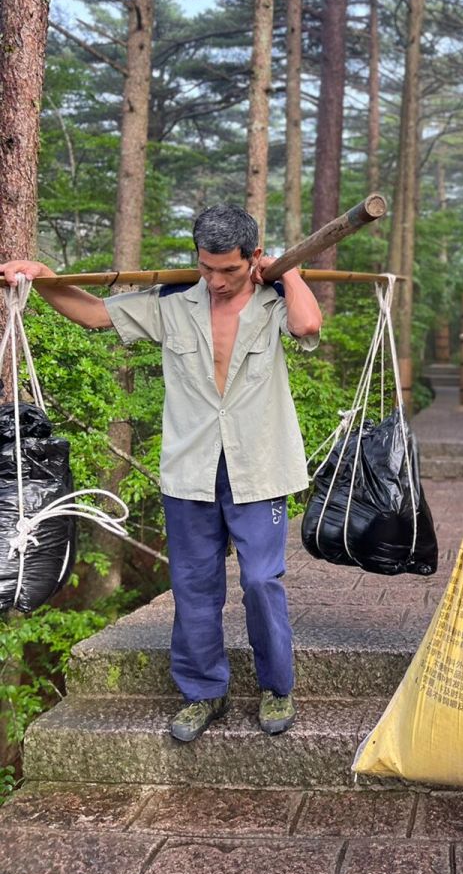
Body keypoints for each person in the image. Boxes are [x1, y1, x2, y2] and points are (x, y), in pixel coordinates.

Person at [1, 205, 322, 744]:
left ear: (252, 258)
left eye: (229, 270)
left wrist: (286, 272)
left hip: (260, 466)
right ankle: (204, 692)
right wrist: (45, 276)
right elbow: (94, 315)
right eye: (206, 268)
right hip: (190, 468)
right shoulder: (172, 303)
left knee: (261, 580)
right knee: (193, 584)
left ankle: (277, 687)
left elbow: (308, 325)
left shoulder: (274, 301)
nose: (216, 281)